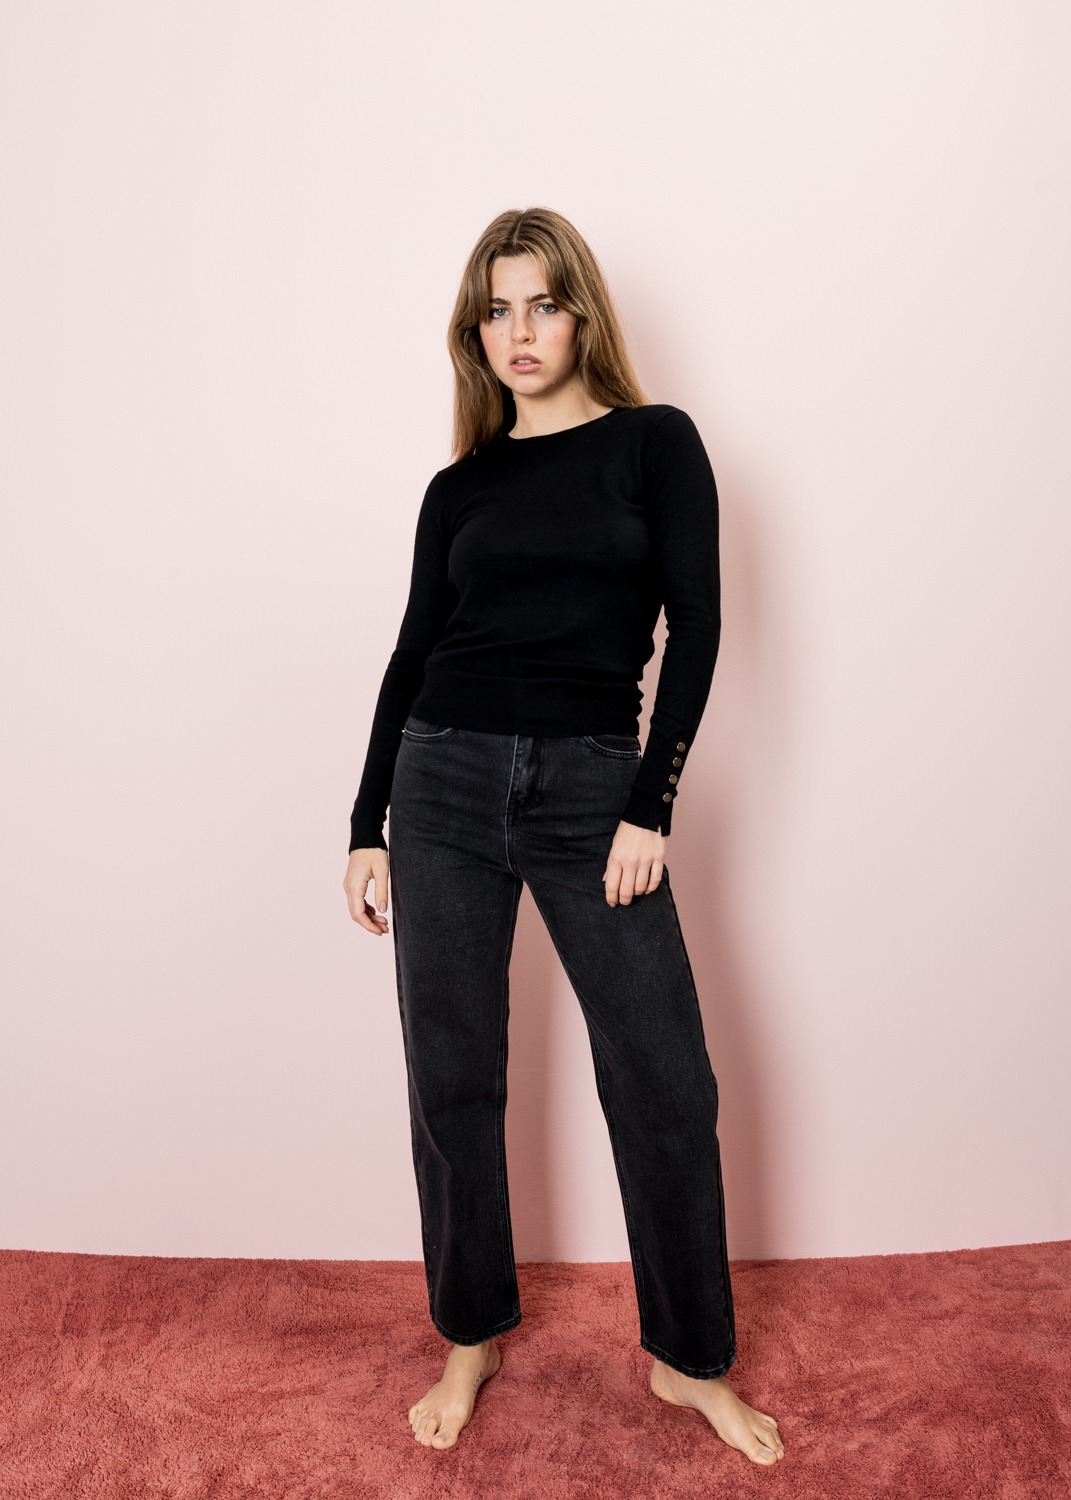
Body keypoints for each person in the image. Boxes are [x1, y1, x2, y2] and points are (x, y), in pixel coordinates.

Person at [342, 207, 784, 1468]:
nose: (519, 331)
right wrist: (366, 822)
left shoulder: (655, 444)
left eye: (542, 304)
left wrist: (652, 801)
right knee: (452, 1072)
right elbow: (412, 654)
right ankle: (470, 1334)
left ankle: (687, 1358)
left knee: (664, 1077)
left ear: (583, 313)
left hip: (594, 788)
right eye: (497, 310)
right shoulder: (459, 489)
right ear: (474, 331)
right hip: (440, 784)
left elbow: (696, 628)